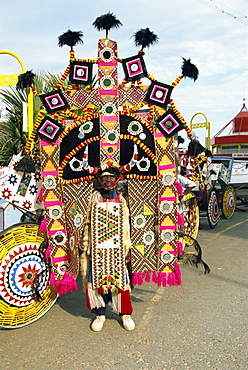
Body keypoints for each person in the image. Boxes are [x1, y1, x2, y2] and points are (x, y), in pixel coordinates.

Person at [80, 166, 135, 332]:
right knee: (97, 281)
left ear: (117, 179)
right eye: (105, 177)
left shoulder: (122, 200)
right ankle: (100, 313)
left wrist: (128, 247)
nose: (108, 181)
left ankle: (125, 313)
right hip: (97, 249)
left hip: (118, 248)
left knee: (121, 282)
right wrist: (86, 242)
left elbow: (127, 225)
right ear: (99, 179)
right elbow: (86, 223)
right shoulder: (93, 199)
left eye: (112, 177)